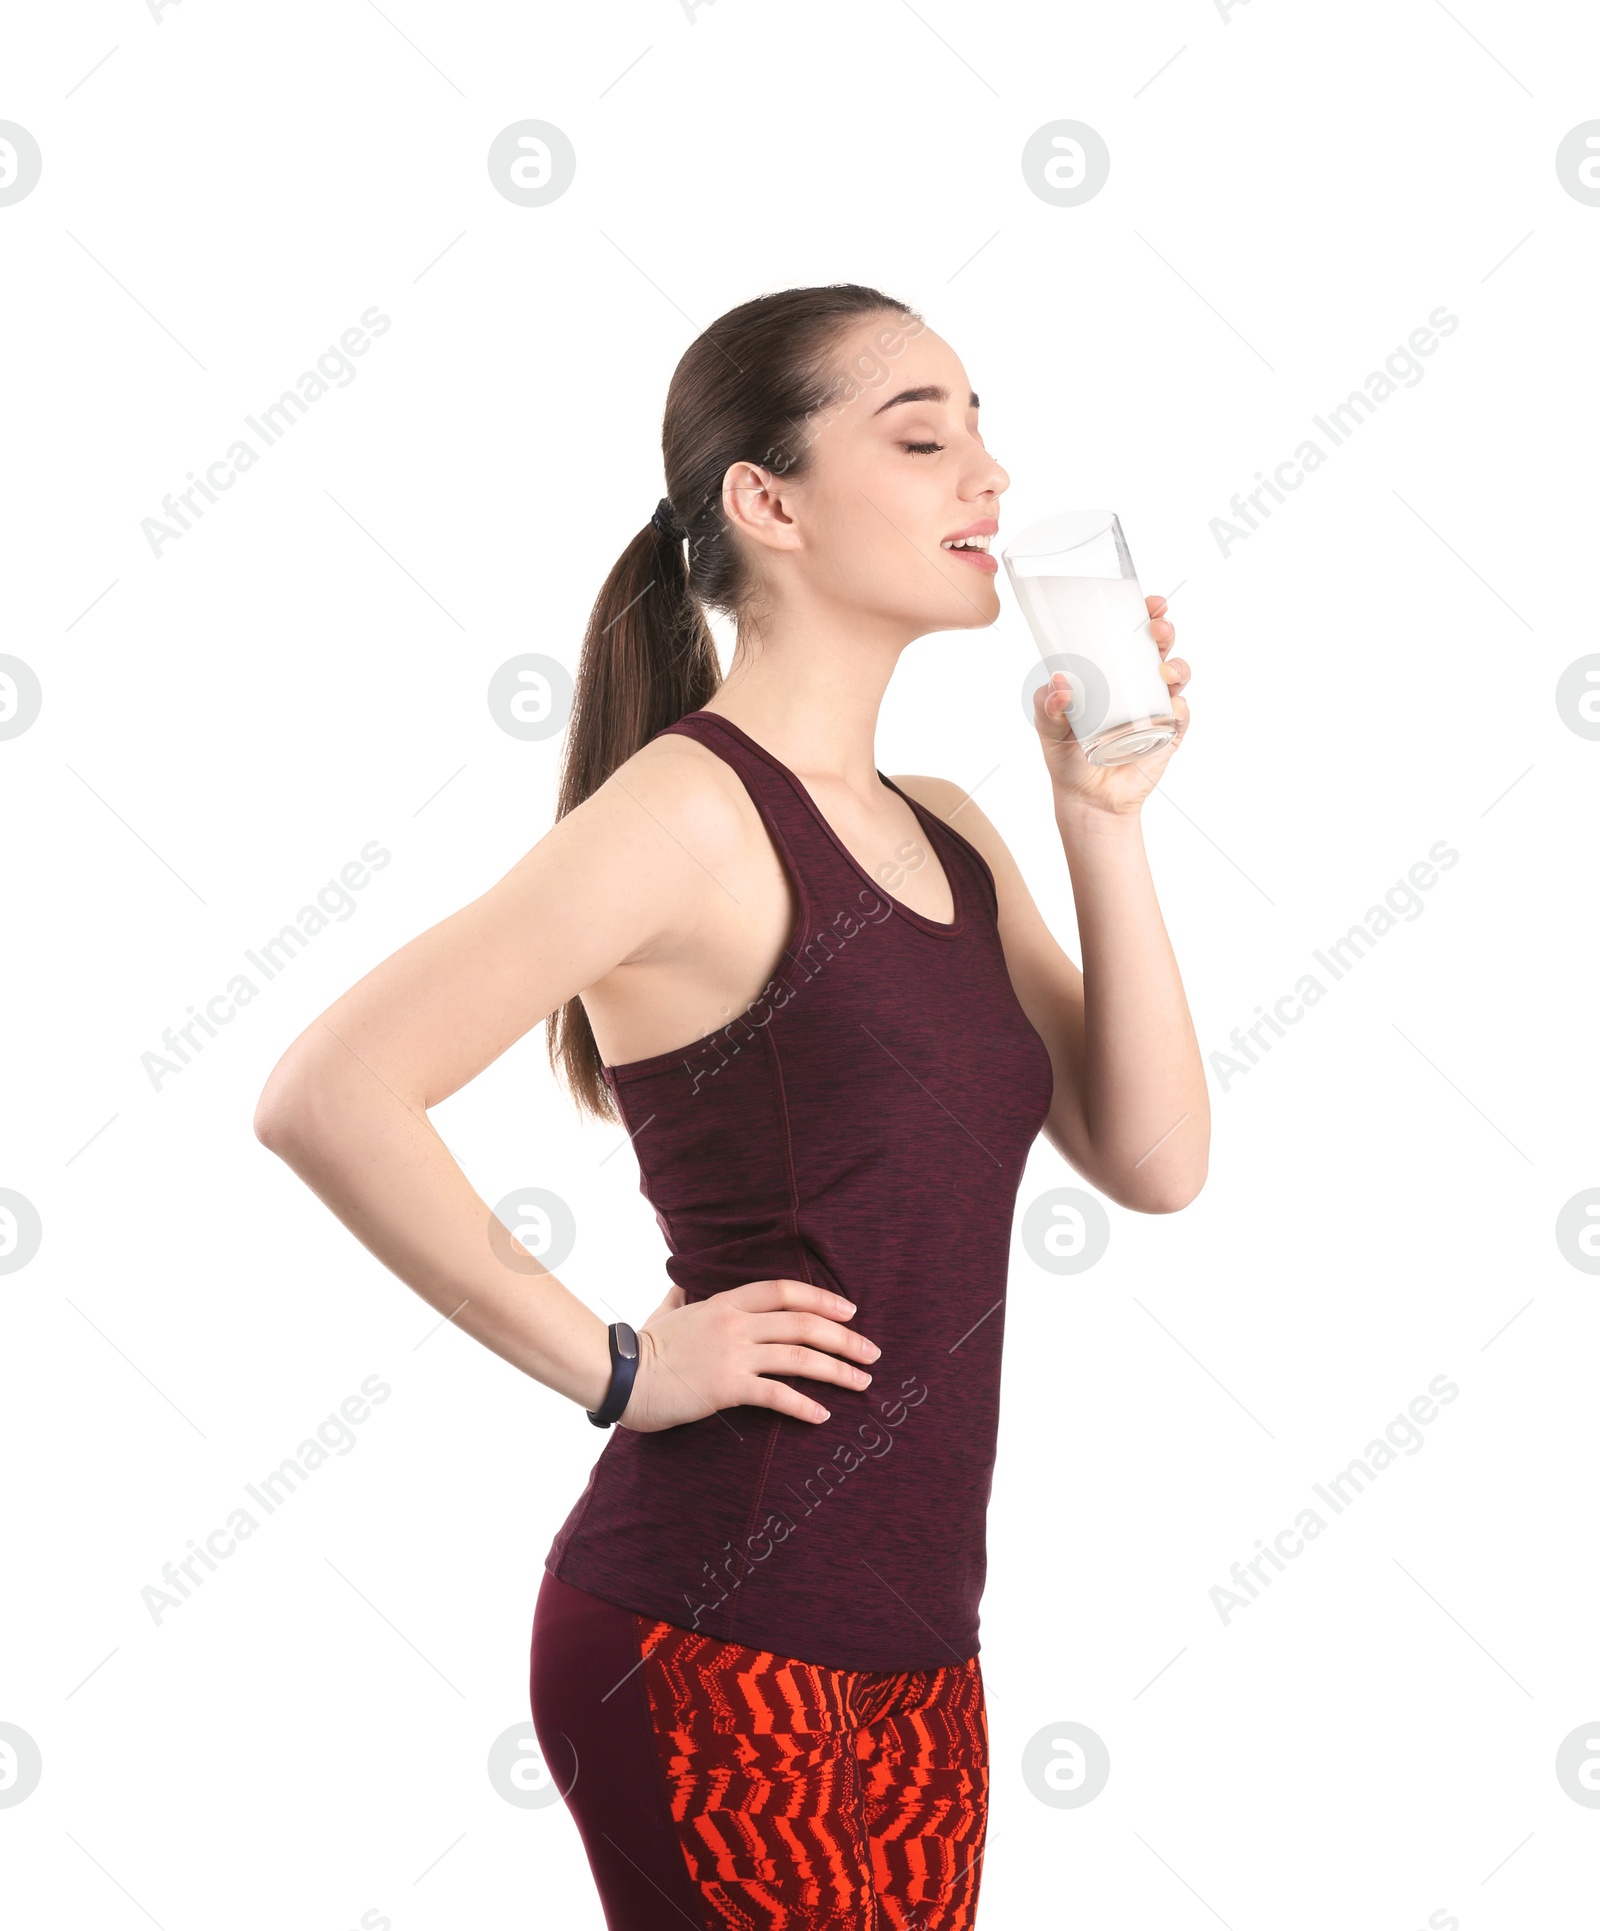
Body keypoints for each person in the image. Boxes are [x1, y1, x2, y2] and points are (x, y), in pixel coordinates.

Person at [253, 281, 1208, 1929]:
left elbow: (1155, 1158)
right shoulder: (692, 813)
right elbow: (329, 1092)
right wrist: (617, 1366)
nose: (984, 474)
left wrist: (1101, 819)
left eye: (984, 426)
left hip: (920, 1653)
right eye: (922, 437)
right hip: (712, 1625)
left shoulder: (958, 827)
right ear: (766, 504)